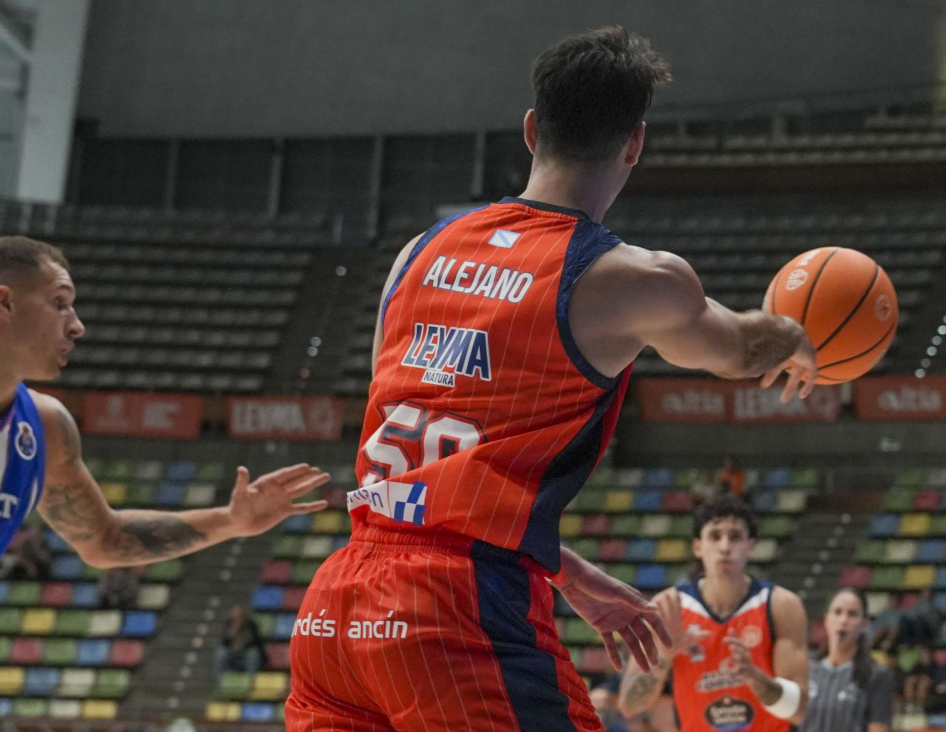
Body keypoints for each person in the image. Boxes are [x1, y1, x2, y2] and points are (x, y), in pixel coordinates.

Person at [284, 27, 819, 732]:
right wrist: (797, 332)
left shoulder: (416, 254)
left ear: (532, 129)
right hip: (454, 614)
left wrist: (572, 574)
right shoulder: (632, 279)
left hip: (335, 609)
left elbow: (435, 488)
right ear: (635, 145)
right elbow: (743, 350)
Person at [0, 236, 331, 682]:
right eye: (59, 304)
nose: (76, 325)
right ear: (4, 303)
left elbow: (105, 540)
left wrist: (233, 520)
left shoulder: (44, 428)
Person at [617, 497, 808, 731]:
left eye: (735, 536)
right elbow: (629, 705)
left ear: (751, 545)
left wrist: (755, 677)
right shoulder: (670, 607)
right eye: (715, 536)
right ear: (698, 547)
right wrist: (665, 657)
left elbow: (797, 711)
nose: (725, 547)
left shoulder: (781, 605)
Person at [800, 589, 894, 732]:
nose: (843, 620)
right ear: (826, 620)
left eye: (852, 614)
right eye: (837, 612)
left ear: (865, 624)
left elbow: (878, 727)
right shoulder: (806, 671)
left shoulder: (877, 675)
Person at [214, 605, 265, 676]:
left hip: (246, 653)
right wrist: (233, 632)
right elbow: (224, 642)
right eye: (236, 615)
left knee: (254, 653)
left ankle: (251, 680)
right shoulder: (228, 625)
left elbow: (256, 642)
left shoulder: (251, 625)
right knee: (221, 653)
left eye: (240, 615)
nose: (238, 617)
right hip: (232, 654)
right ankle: (222, 680)